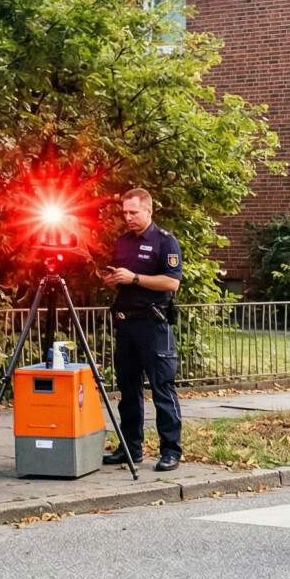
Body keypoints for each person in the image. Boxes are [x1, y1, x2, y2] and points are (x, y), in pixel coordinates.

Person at [101, 188, 184, 472]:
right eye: (125, 212)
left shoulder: (165, 241)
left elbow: (172, 283)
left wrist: (135, 278)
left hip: (153, 324)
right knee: (128, 389)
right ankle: (130, 448)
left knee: (162, 387)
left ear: (148, 210)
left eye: (133, 212)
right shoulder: (123, 242)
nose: (128, 217)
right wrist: (113, 280)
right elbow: (122, 280)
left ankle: (171, 451)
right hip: (126, 323)